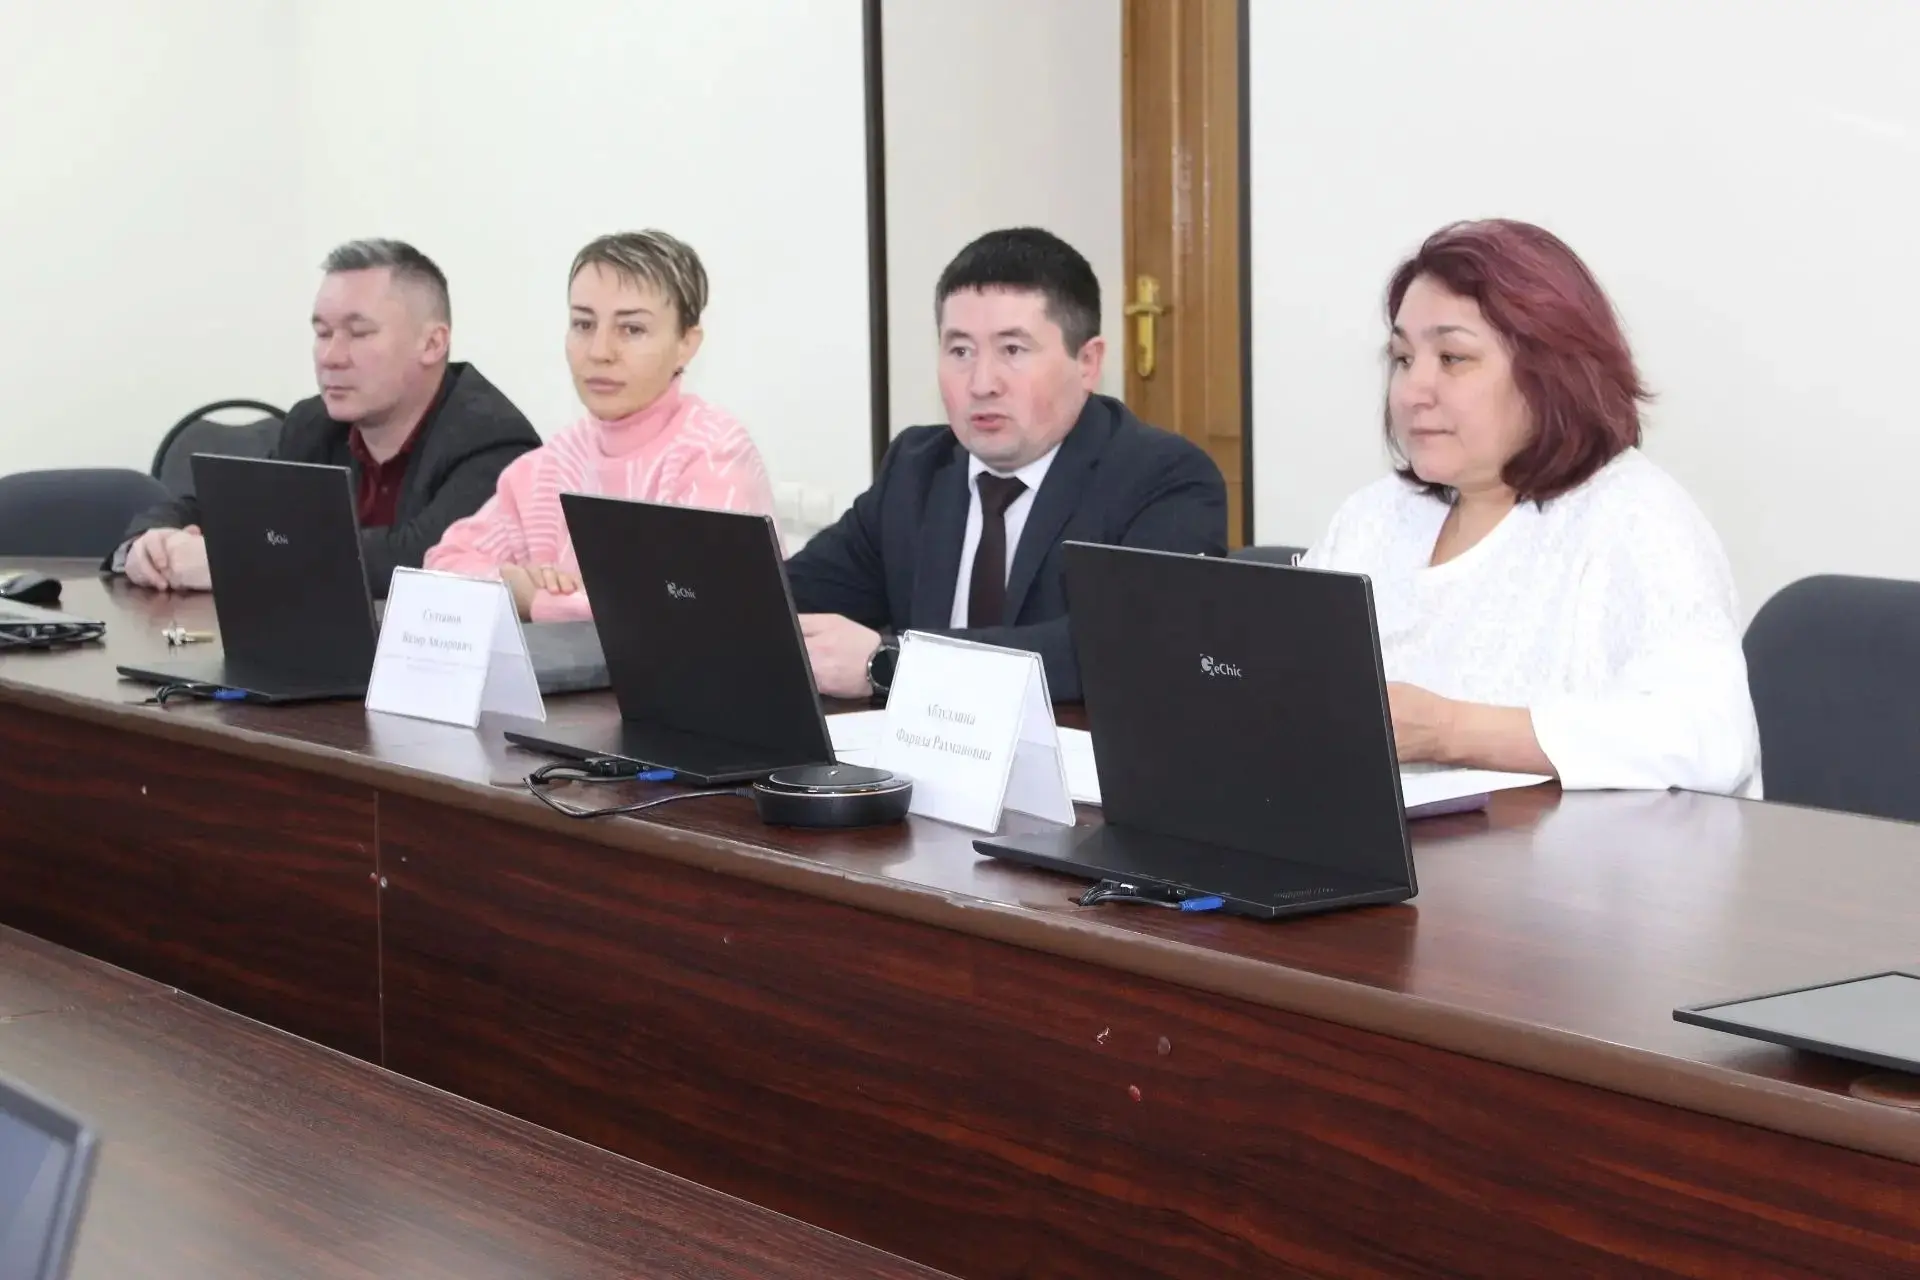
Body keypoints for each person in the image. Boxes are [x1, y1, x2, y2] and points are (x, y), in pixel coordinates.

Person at [1301, 219, 1759, 795]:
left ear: (1550, 371)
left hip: (1575, 852)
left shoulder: (1635, 518)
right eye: (1403, 358)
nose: (1413, 391)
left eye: (1452, 358)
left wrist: (1448, 731)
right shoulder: (1374, 517)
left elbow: (1711, 741)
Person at [787, 227, 1226, 702]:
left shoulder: (1165, 479)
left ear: (1088, 362)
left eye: (1012, 350)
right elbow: (785, 598)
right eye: (960, 351)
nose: (982, 383)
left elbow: (1126, 649)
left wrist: (895, 665)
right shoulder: (916, 469)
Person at [115, 239, 539, 594]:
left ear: (432, 344)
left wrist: (234, 561)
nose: (331, 357)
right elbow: (228, 509)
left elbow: (423, 561)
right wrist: (150, 544)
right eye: (322, 333)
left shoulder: (494, 441)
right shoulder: (315, 423)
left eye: (359, 333)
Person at [425, 232, 774, 621]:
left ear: (686, 344)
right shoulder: (551, 464)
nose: (599, 351)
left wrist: (538, 601)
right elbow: (444, 565)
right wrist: (509, 583)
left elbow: (695, 605)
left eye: (632, 329)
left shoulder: (714, 453)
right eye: (584, 324)